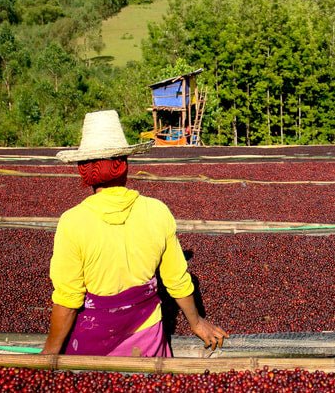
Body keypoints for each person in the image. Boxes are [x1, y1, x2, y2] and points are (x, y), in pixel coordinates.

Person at [41, 109, 227, 357]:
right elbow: (177, 280)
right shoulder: (156, 211)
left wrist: (50, 353)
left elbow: (68, 299)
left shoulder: (73, 222)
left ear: (84, 171)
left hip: (93, 342)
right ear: (124, 166)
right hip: (145, 337)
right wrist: (197, 322)